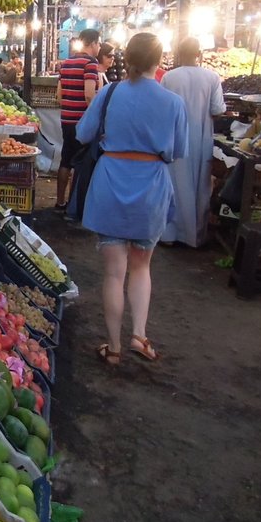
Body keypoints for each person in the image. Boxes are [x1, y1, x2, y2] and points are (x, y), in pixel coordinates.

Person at [75, 32, 188, 365]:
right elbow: (178, 151)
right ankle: (139, 334)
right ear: (158, 59)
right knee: (141, 267)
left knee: (113, 272)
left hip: (111, 183)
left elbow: (83, 134)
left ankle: (113, 348)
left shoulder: (109, 93)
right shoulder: (173, 102)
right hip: (150, 189)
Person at [160, 37, 226, 247]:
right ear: (199, 54)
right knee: (200, 186)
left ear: (179, 54)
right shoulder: (211, 77)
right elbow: (218, 109)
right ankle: (194, 237)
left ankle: (170, 235)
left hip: (174, 138)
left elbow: (163, 107)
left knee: (174, 185)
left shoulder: (170, 77)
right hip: (201, 139)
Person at [55, 29, 102, 210]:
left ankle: (60, 201)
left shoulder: (66, 63)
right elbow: (89, 96)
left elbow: (59, 96)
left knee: (66, 159)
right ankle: (77, 206)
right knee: (83, 163)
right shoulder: (90, 64)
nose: (99, 47)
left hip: (66, 119)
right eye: (98, 44)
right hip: (82, 122)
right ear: (93, 43)